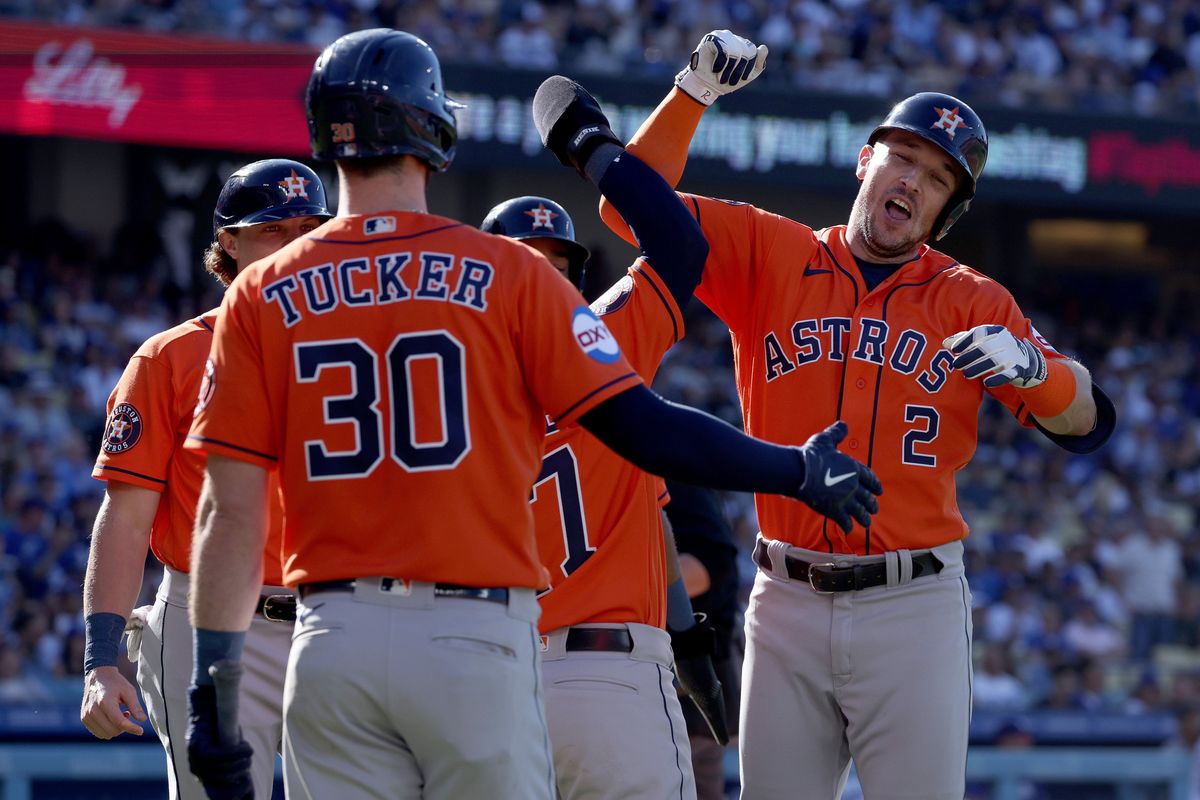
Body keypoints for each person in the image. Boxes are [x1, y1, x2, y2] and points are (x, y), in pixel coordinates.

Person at [180, 29, 880, 800]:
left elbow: (228, 511)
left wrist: (214, 688)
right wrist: (795, 468)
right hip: (472, 634)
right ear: (435, 128)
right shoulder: (505, 273)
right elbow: (645, 426)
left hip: (330, 638)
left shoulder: (257, 293)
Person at [600, 29, 1117, 800]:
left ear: (946, 211)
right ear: (865, 161)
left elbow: (1088, 424)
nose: (913, 181)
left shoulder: (972, 299)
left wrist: (1039, 372)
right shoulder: (771, 254)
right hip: (787, 597)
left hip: (914, 604)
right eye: (903, 158)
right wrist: (690, 95)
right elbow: (623, 206)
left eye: (938, 177)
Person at [482, 70, 760, 797]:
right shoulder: (598, 338)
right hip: (608, 675)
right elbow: (678, 242)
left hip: (482, 675)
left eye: (554, 267)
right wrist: (590, 144)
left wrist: (690, 635)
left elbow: (655, 526)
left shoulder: (443, 382)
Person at [79, 159, 332, 800]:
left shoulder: (356, 352)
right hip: (209, 620)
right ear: (228, 242)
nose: (296, 244)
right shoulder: (172, 357)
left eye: (310, 227)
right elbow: (127, 516)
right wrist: (100, 657)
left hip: (337, 618)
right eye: (273, 229)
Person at [663, 479, 742, 800]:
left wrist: (612, 593)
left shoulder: (664, 462)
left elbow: (714, 563)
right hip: (648, 683)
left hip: (690, 680)